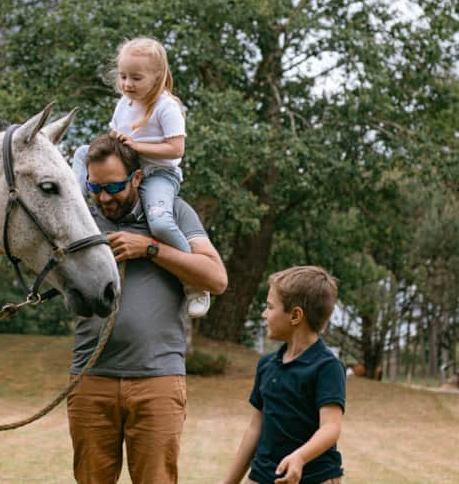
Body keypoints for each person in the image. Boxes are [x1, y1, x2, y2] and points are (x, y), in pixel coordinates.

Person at [67, 134, 228, 484]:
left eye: (114, 187)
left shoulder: (172, 212)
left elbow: (216, 279)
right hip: (90, 377)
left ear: (137, 178)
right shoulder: (80, 216)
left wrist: (151, 248)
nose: (104, 198)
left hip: (157, 378)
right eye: (95, 187)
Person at [72, 37, 211, 318]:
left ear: (157, 77)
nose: (127, 84)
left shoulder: (166, 106)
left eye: (136, 78)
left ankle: (194, 283)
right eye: (123, 77)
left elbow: (176, 149)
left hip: (159, 172)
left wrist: (136, 146)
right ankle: (74, 199)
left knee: (160, 222)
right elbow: (114, 135)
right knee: (81, 151)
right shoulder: (125, 102)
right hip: (131, 164)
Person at [220, 266, 345, 484]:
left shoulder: (327, 366)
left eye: (270, 307)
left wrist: (300, 457)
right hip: (263, 476)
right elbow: (255, 429)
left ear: (295, 315)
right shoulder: (267, 365)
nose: (264, 314)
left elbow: (331, 427)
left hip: (314, 478)